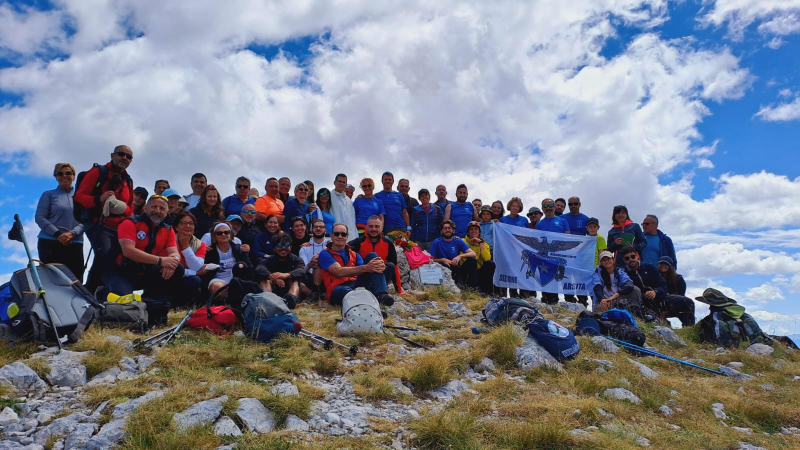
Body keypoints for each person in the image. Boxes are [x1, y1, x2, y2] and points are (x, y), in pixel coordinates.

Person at [100, 194, 184, 304]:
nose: (157, 211)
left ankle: (151, 301)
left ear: (167, 211)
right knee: (124, 304)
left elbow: (174, 252)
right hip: (121, 271)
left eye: (162, 208)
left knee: (178, 268)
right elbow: (128, 251)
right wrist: (161, 261)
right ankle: (102, 293)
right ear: (145, 208)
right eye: (154, 207)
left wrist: (172, 262)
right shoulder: (130, 222)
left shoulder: (168, 229)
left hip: (145, 272)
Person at [74, 145, 135, 292]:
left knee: (108, 259)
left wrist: (122, 208)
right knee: (105, 257)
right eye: (121, 154)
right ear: (112, 155)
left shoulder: (128, 180)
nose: (125, 158)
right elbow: (79, 197)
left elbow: (130, 207)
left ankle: (92, 292)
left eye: (129, 156)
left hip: (118, 228)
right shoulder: (98, 172)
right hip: (98, 224)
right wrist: (99, 199)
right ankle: (96, 292)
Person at [318, 223, 396, 306]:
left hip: (356, 284)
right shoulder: (325, 254)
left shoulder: (354, 254)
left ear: (347, 237)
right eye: (337, 234)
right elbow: (339, 272)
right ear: (332, 236)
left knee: (374, 257)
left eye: (343, 234)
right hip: (337, 288)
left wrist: (377, 266)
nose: (340, 237)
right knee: (347, 291)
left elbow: (368, 272)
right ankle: (370, 297)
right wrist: (367, 267)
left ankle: (381, 294)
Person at [35, 163, 85, 280]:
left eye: (68, 173)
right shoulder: (48, 195)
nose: (64, 176)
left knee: (76, 281)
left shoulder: (82, 197)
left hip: (75, 243)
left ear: (73, 176)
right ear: (56, 177)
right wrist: (58, 235)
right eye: (60, 174)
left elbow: (87, 220)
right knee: (51, 281)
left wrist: (72, 233)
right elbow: (40, 218)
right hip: (49, 243)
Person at [620, 246, 693, 325]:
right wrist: (644, 295)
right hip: (642, 303)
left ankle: (688, 329)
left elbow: (663, 285)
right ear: (624, 260)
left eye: (633, 256)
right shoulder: (623, 273)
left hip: (659, 298)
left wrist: (655, 292)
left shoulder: (649, 267)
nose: (631, 259)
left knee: (687, 302)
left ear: (637, 256)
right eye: (627, 258)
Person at [348, 216, 402, 293]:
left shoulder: (388, 244)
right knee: (372, 256)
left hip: (380, 279)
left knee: (390, 266)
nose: (373, 229)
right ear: (366, 227)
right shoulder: (359, 242)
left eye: (377, 226)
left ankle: (378, 290)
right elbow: (343, 248)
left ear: (382, 227)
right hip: (362, 279)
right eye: (370, 226)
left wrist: (399, 290)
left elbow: (395, 267)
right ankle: (379, 292)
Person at [255, 232, 305, 308]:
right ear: (274, 248)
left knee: (294, 281)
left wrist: (286, 275)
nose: (283, 248)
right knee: (264, 280)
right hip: (274, 289)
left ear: (290, 247)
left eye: (287, 245)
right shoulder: (269, 260)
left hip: (289, 289)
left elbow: (301, 270)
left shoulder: (296, 259)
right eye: (279, 245)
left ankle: (290, 303)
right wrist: (272, 276)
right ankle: (268, 302)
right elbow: (259, 269)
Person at [535, 198, 570, 304]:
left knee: (563, 281)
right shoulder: (539, 224)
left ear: (554, 207)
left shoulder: (563, 221)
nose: (548, 208)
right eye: (546, 206)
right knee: (547, 283)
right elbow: (537, 242)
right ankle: (547, 304)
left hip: (559, 257)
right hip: (545, 259)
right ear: (542, 209)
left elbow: (568, 237)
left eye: (551, 206)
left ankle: (567, 303)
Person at [203, 222, 253, 295]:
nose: (223, 235)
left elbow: (249, 266)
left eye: (226, 232)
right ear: (214, 236)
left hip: (236, 279)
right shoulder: (209, 251)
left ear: (230, 234)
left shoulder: (239, 249)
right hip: (218, 279)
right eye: (219, 233)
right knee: (216, 288)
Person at [429, 220, 478, 289]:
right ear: (441, 231)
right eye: (445, 228)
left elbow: (473, 253)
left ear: (453, 230)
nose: (447, 230)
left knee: (472, 260)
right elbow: (430, 259)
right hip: (443, 269)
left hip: (456, 267)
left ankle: (472, 288)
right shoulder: (436, 242)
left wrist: (460, 256)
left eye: (449, 228)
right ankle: (459, 287)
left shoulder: (457, 241)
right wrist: (442, 260)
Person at [172, 211, 205, 307]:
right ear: (176, 227)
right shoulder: (169, 240)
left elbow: (196, 267)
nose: (188, 226)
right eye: (183, 223)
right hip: (168, 276)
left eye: (191, 223)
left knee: (195, 280)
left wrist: (186, 246)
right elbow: (173, 268)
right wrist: (195, 273)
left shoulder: (199, 244)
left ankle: (182, 306)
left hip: (184, 279)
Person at [299, 219, 330, 300]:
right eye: (315, 227)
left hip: (328, 276)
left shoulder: (331, 245)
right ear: (312, 230)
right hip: (309, 278)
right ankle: (315, 294)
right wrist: (310, 265)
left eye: (321, 227)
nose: (318, 229)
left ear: (325, 230)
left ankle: (316, 294)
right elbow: (302, 269)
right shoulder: (305, 248)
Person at [463, 221, 496, 295]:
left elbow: (486, 258)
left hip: (478, 270)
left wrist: (480, 243)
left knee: (490, 264)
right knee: (472, 260)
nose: (473, 231)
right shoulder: (463, 241)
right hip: (466, 271)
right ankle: (472, 290)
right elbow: (463, 259)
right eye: (471, 229)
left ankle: (487, 292)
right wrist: (475, 255)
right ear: (468, 231)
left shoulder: (484, 244)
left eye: (476, 229)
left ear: (479, 232)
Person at [330, 173, 358, 238]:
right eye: (339, 181)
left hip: (350, 236)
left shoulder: (349, 201)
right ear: (334, 182)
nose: (342, 183)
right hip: (335, 235)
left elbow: (353, 220)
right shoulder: (329, 196)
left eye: (344, 182)